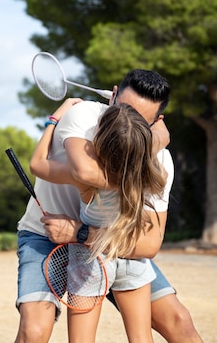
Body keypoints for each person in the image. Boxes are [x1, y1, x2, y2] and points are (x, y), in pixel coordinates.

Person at [14, 69, 203, 343]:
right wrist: (141, 164)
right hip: (45, 234)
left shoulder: (160, 158)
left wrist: (52, 120)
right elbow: (85, 170)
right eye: (123, 108)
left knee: (180, 322)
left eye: (138, 119)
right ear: (112, 96)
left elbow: (149, 246)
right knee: (34, 332)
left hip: (109, 247)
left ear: (155, 122)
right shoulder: (86, 116)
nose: (124, 119)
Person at [30, 100, 167, 342]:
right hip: (131, 255)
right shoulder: (153, 175)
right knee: (142, 338)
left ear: (100, 142)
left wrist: (53, 121)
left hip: (90, 257)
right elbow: (160, 137)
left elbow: (37, 164)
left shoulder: (89, 180)